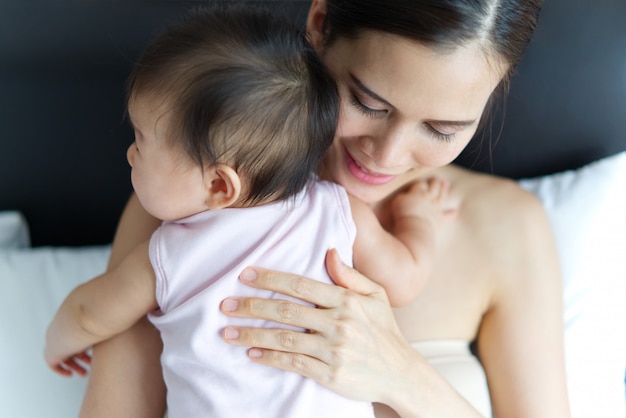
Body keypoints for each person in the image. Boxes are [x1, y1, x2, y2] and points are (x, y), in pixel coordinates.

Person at [78, 0, 572, 417]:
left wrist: (405, 376)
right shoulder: (192, 207)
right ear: (320, 24)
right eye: (368, 103)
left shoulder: (506, 226)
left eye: (442, 129)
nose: (388, 156)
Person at [44, 5, 449, 417]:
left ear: (220, 185)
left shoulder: (166, 254)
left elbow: (88, 315)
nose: (130, 154)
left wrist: (56, 345)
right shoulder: (337, 210)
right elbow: (405, 278)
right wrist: (420, 219)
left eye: (142, 141)